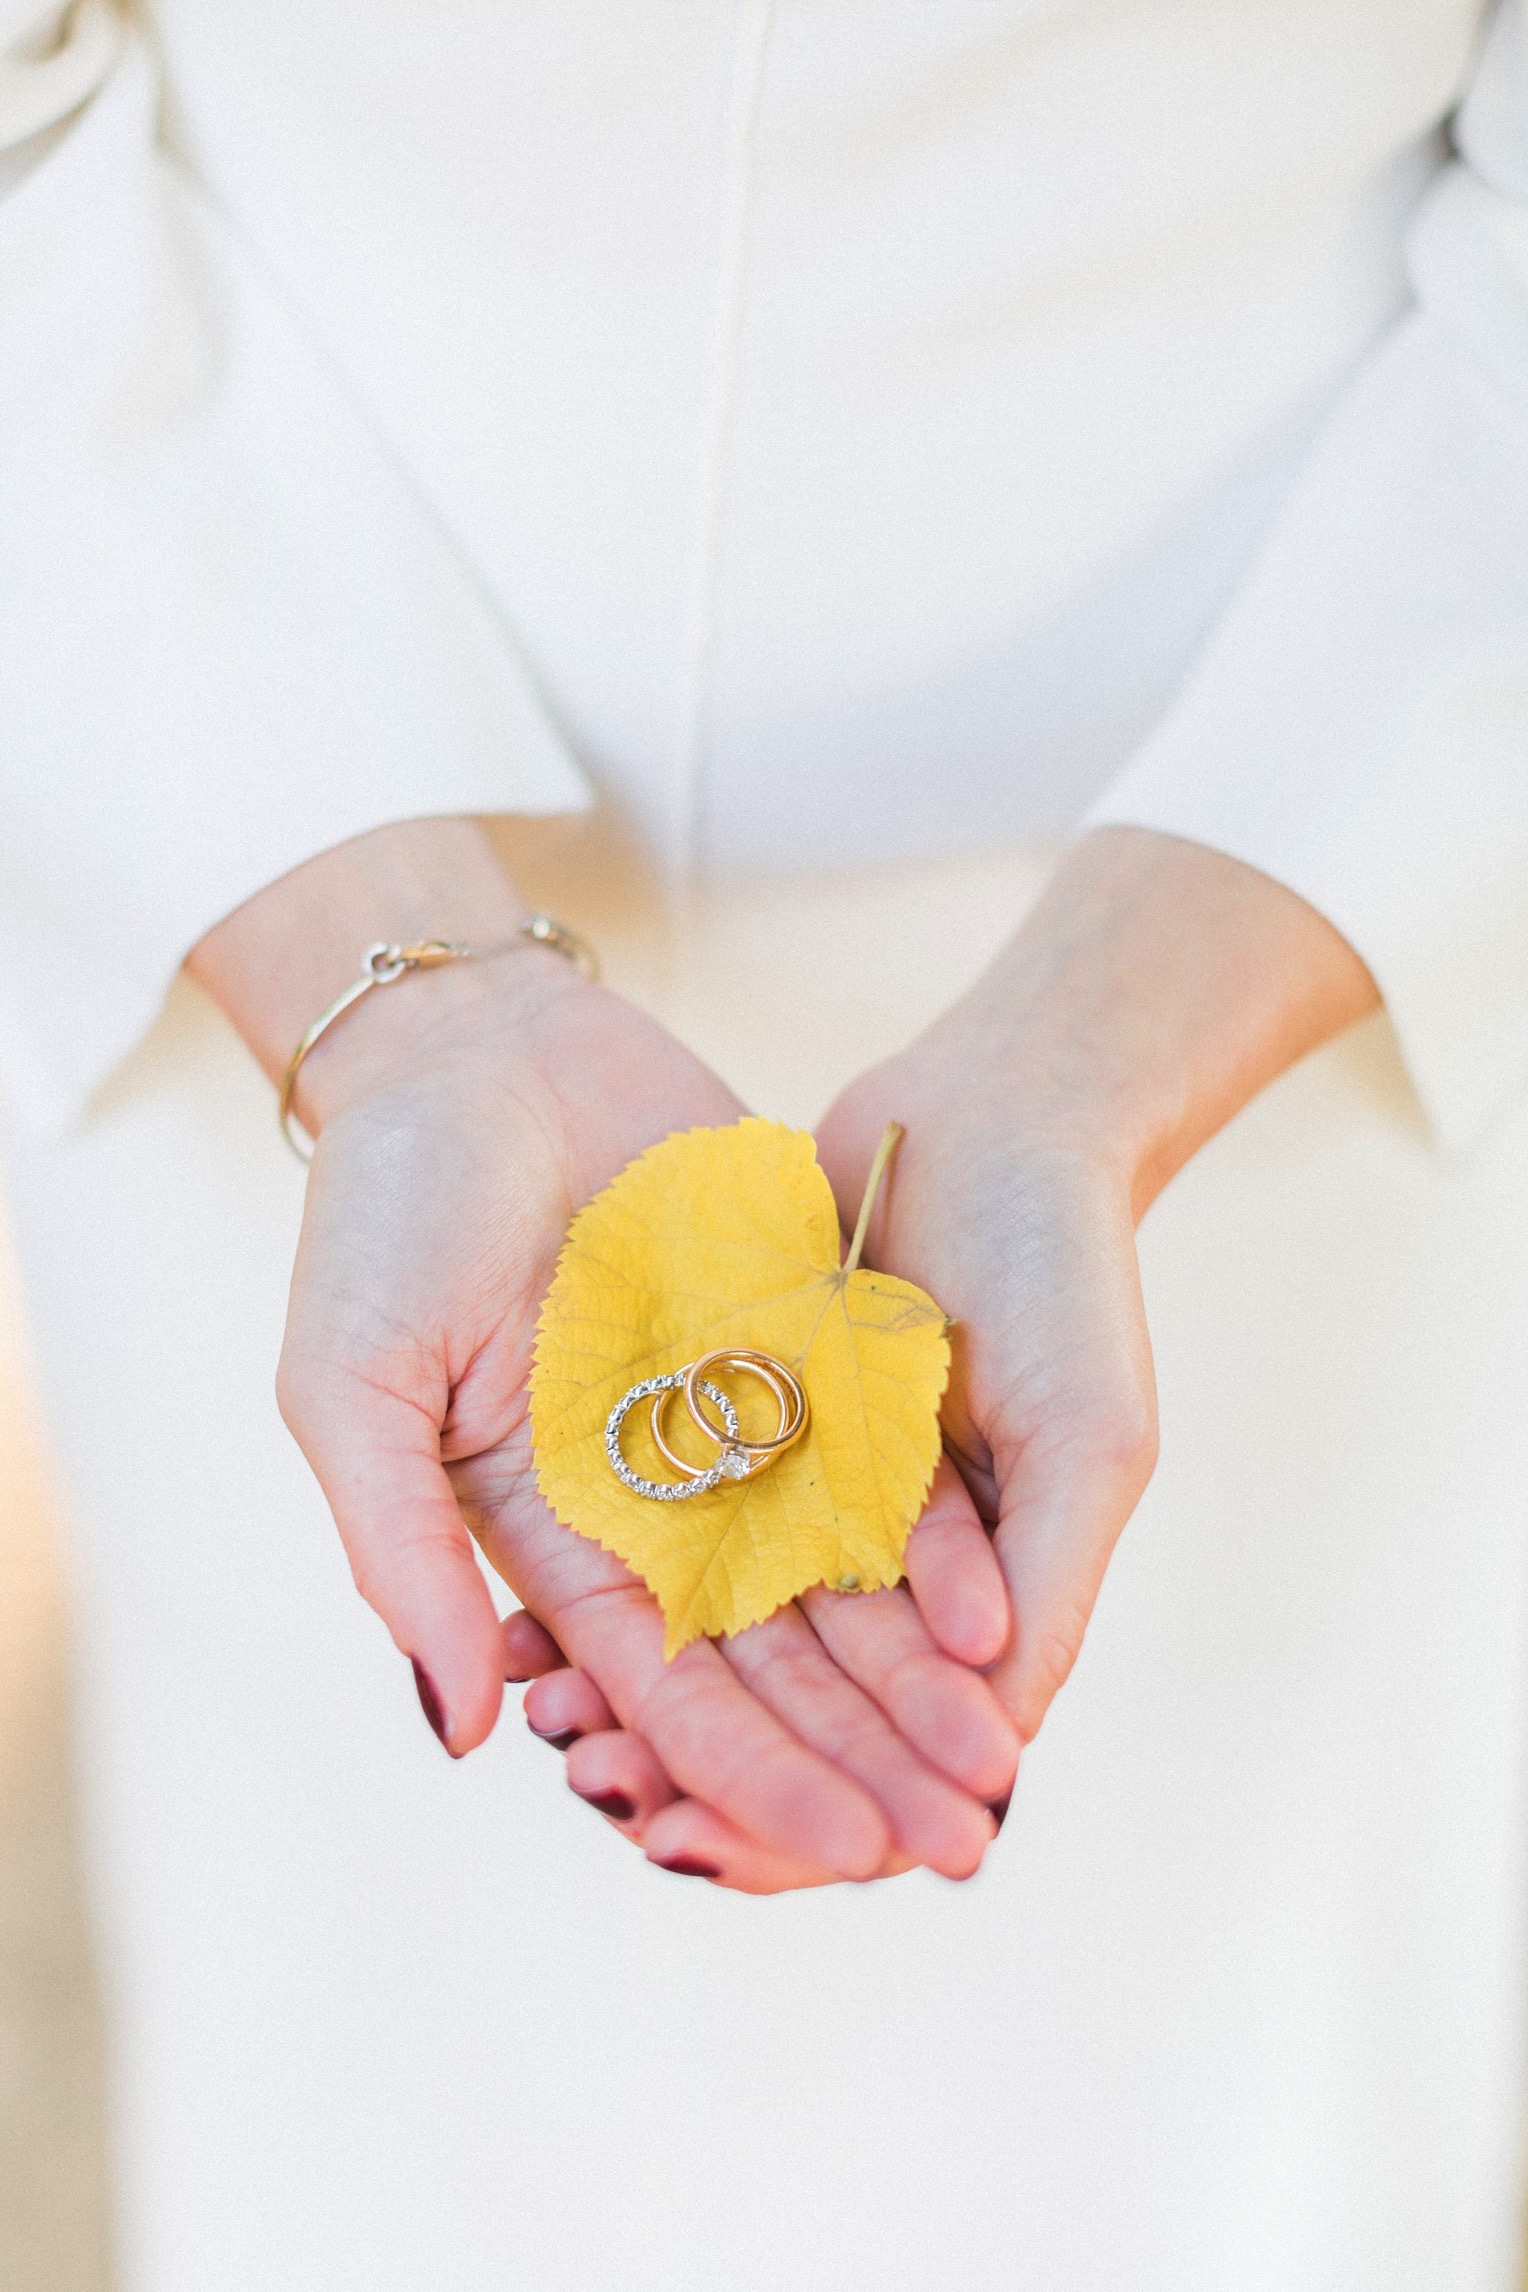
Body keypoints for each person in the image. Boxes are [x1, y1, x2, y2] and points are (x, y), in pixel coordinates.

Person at [3, 2, 1528, 2285]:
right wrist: (368, 948)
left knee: (1205, 2073)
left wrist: (1140, 1010)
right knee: (381, 2054)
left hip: (1297, 898)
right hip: (236, 764)